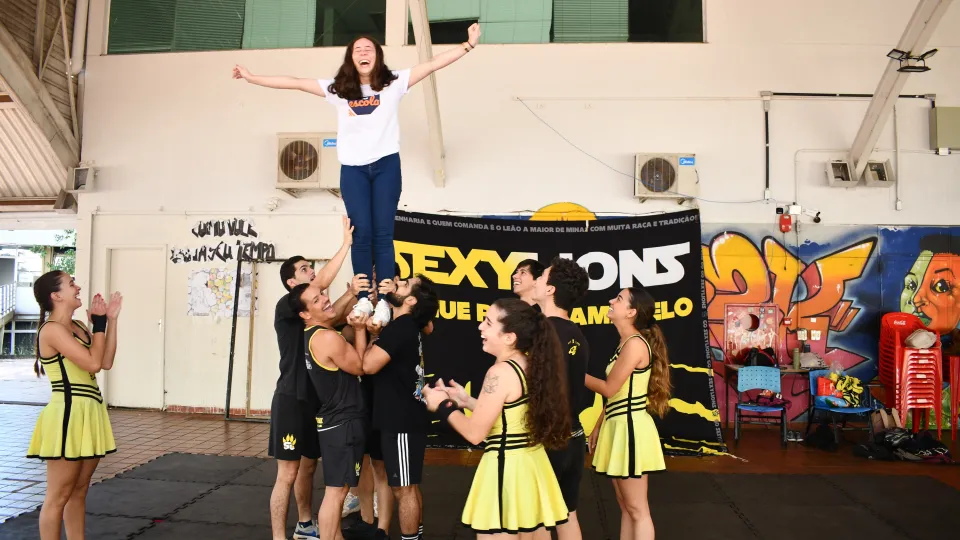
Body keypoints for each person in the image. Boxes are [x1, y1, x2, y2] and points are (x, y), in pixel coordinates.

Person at [233, 24, 482, 329]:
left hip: (386, 166)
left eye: (369, 49)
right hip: (353, 170)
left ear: (377, 56)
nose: (363, 53)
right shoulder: (338, 90)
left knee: (383, 233)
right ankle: (365, 295)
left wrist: (467, 46)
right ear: (351, 58)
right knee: (361, 233)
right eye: (357, 49)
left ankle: (386, 299)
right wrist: (252, 77)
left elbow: (431, 65)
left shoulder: (394, 83)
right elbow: (295, 82)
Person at [424, 298, 570, 539]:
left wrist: (443, 406)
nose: (480, 327)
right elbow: (510, 413)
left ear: (509, 337)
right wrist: (467, 401)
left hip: (507, 470)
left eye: (488, 323)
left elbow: (474, 433)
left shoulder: (500, 372)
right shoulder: (528, 362)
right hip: (531, 467)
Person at [270, 218, 357, 540]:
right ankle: (280, 537)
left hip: (318, 401)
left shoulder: (316, 315)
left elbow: (335, 316)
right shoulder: (287, 306)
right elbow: (321, 286)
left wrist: (351, 294)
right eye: (305, 269)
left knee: (309, 466)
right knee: (287, 473)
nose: (312, 272)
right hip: (292, 399)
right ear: (293, 284)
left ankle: (305, 524)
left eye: (311, 268)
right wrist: (345, 244)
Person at [27, 271, 122, 539]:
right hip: (67, 414)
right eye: (71, 284)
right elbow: (92, 363)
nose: (77, 287)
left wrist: (110, 321)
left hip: (89, 411)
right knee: (58, 496)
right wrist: (100, 324)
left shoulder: (79, 325)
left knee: (79, 491)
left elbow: (104, 362)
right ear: (56, 296)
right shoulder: (52, 330)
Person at [586, 287, 671, 540]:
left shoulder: (634, 345)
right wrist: (600, 424)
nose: (611, 301)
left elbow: (609, 388)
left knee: (637, 509)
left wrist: (571, 371)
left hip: (630, 428)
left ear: (631, 312)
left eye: (619, 299)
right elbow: (618, 392)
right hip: (619, 424)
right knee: (626, 507)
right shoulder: (626, 343)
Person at [360, 275, 439, 540]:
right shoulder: (405, 326)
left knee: (404, 489)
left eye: (402, 285)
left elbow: (367, 366)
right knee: (407, 487)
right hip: (401, 417)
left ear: (411, 300)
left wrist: (362, 332)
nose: (395, 285)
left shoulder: (402, 327)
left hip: (402, 420)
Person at [290, 282, 371, 540]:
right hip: (343, 422)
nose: (325, 300)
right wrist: (359, 330)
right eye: (316, 301)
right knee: (337, 493)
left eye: (322, 294)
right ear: (304, 314)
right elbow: (359, 366)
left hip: (336, 421)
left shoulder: (315, 334)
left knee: (338, 489)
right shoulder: (326, 337)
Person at [532, 257, 591, 540]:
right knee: (567, 515)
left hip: (547, 441)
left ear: (551, 290)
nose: (535, 281)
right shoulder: (578, 335)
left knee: (539, 519)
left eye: (541, 277)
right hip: (573, 439)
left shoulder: (542, 334)